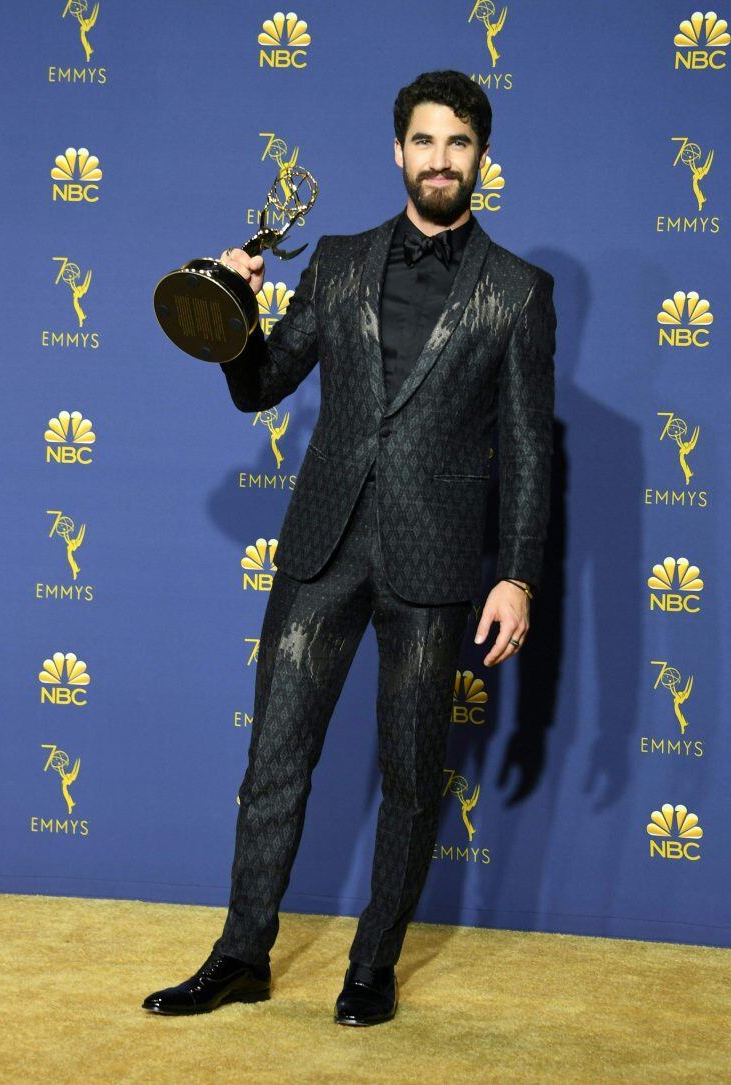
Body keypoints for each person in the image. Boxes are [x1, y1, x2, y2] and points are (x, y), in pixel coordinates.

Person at [142, 69, 556, 1026]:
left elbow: (532, 447)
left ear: (481, 158)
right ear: (398, 152)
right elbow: (261, 387)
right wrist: (232, 313)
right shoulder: (333, 259)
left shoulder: (519, 293)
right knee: (274, 763)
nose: (439, 159)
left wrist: (520, 573)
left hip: (437, 564)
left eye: (458, 143)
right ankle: (241, 952)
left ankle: (372, 966)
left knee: (413, 778)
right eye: (424, 141)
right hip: (322, 549)